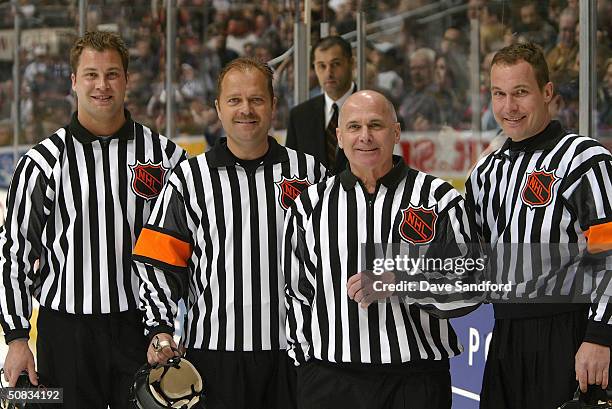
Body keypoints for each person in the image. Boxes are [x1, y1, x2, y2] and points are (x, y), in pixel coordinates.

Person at [0, 31, 186, 409]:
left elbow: (188, 248)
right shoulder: (41, 162)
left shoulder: (166, 157)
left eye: (112, 74)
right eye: (91, 74)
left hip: (142, 329)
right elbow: (13, 252)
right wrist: (18, 338)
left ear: (127, 80)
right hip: (65, 331)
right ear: (73, 81)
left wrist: (169, 327)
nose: (102, 85)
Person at [132, 57, 325, 409]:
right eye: (234, 100)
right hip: (213, 357)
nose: (246, 110)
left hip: (295, 353)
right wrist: (159, 328)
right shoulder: (189, 179)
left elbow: (333, 261)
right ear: (218, 108)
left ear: (273, 106)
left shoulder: (310, 174)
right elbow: (158, 264)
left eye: (256, 99)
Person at [283, 90, 480, 409]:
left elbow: (470, 285)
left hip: (415, 381)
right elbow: (296, 293)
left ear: (396, 132)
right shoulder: (310, 205)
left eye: (375, 125)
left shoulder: (438, 198)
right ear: (339, 136)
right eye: (354, 127)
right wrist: (306, 364)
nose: (365, 137)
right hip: (330, 382)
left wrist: (401, 282)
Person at [465, 42, 612, 409]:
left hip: (570, 332)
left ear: (547, 93)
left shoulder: (584, 160)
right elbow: (469, 261)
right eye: (499, 94)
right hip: (503, 338)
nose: (509, 107)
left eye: (520, 92)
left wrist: (600, 336)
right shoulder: (485, 173)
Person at [285, 35, 356, 174]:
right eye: (321, 66)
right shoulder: (299, 116)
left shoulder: (373, 108)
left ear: (351, 63)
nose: (328, 73)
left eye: (335, 64)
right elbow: (291, 171)